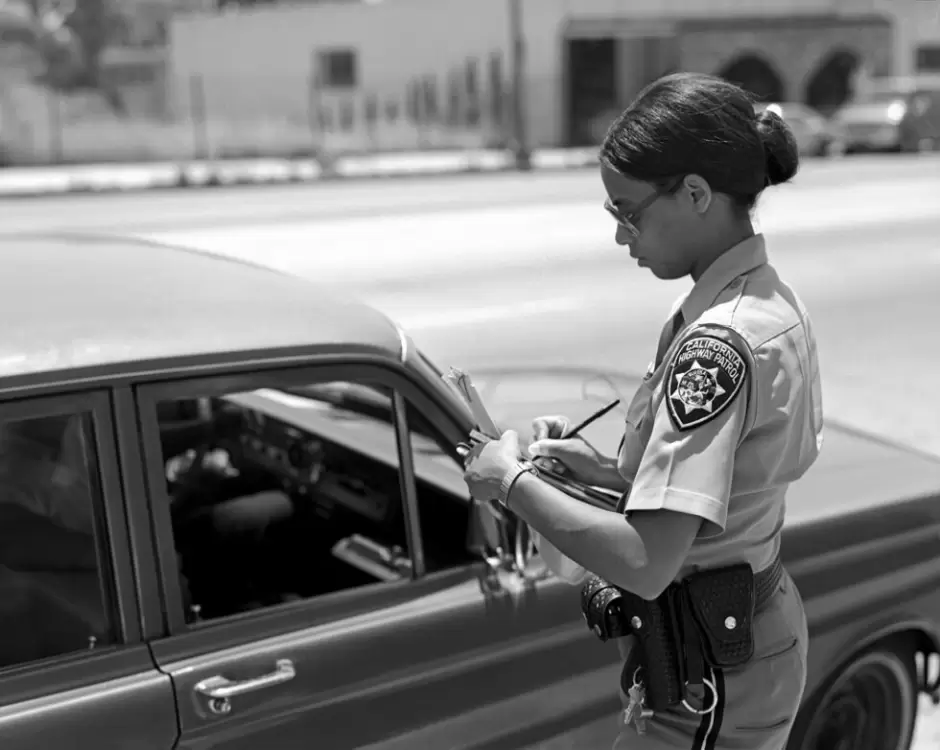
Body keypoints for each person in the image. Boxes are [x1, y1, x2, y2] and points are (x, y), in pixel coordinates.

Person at [462, 72, 823, 750]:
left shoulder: (718, 346)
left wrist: (510, 484)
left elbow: (646, 561)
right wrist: (604, 475)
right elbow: (720, 493)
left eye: (629, 212)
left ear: (695, 194)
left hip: (708, 676)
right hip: (726, 641)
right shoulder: (764, 301)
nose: (624, 236)